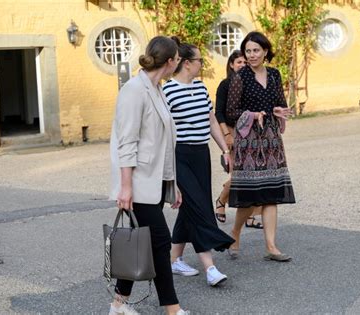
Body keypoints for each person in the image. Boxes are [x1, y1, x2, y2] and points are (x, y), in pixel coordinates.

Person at [109, 36, 188, 315]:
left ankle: (118, 305)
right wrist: (126, 187)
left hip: (153, 182)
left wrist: (172, 185)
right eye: (178, 58)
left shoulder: (157, 89)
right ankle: (172, 308)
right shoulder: (134, 90)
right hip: (138, 183)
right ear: (170, 61)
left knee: (141, 241)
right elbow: (126, 142)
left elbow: (165, 142)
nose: (178, 62)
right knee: (160, 241)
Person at [163, 38, 235, 287]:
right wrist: (168, 171)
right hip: (179, 155)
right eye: (199, 60)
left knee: (189, 207)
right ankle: (210, 268)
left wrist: (225, 149)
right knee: (200, 206)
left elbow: (212, 121)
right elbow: (163, 132)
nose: (201, 64)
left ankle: (174, 260)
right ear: (185, 63)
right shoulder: (168, 91)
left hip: (200, 154)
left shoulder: (201, 88)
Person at [226, 31, 295, 261]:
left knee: (271, 194)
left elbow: (280, 103)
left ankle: (271, 246)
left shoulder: (274, 75)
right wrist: (254, 114)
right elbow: (231, 112)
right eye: (248, 51)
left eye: (256, 50)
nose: (252, 55)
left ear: (265, 51)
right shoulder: (240, 77)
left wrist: (279, 111)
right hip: (249, 142)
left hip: (272, 139)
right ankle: (235, 232)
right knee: (251, 196)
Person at [214, 50, 264, 229]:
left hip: (250, 131)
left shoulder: (252, 83)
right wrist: (226, 135)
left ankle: (250, 216)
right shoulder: (225, 84)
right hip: (231, 130)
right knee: (238, 175)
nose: (243, 65)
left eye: (245, 62)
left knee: (256, 175)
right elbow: (218, 112)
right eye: (239, 63)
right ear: (231, 65)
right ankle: (221, 200)